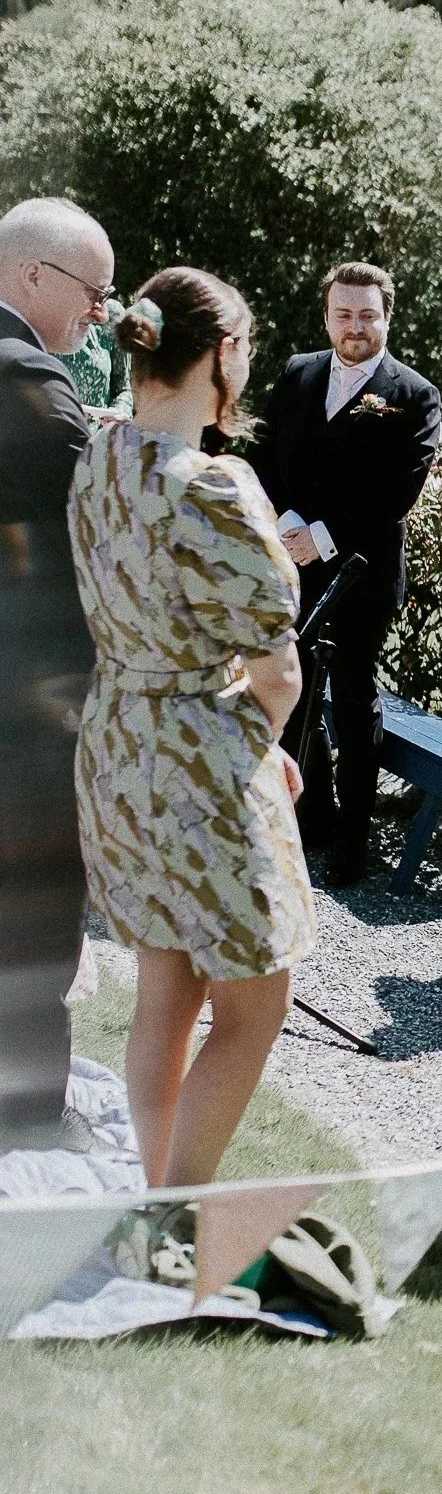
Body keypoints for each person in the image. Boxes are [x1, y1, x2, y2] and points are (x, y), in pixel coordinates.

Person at [68, 267, 316, 1190]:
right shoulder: (213, 484)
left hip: (117, 750)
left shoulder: (96, 458)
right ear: (224, 355)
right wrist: (260, 751)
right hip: (201, 762)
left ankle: (146, 1189)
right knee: (255, 1005)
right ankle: (174, 1209)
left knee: (164, 988)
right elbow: (276, 667)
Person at [247, 263, 440, 886]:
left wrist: (323, 537)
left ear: (387, 317)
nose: (354, 327)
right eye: (343, 314)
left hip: (361, 573)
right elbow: (262, 452)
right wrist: (287, 524)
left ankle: (355, 845)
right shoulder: (299, 372)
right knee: (289, 690)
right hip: (287, 556)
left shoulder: (413, 395)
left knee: (353, 702)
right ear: (328, 315)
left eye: (366, 315)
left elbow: (396, 494)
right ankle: (303, 821)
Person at [0, 197, 114, 1150]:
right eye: (92, 291)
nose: (100, 312)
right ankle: (31, 1113)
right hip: (29, 696)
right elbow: (104, 521)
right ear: (33, 277)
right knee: (34, 909)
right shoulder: (29, 374)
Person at [59, 302, 133, 418]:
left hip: (98, 433)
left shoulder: (112, 314)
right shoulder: (39, 311)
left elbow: (124, 388)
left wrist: (117, 414)